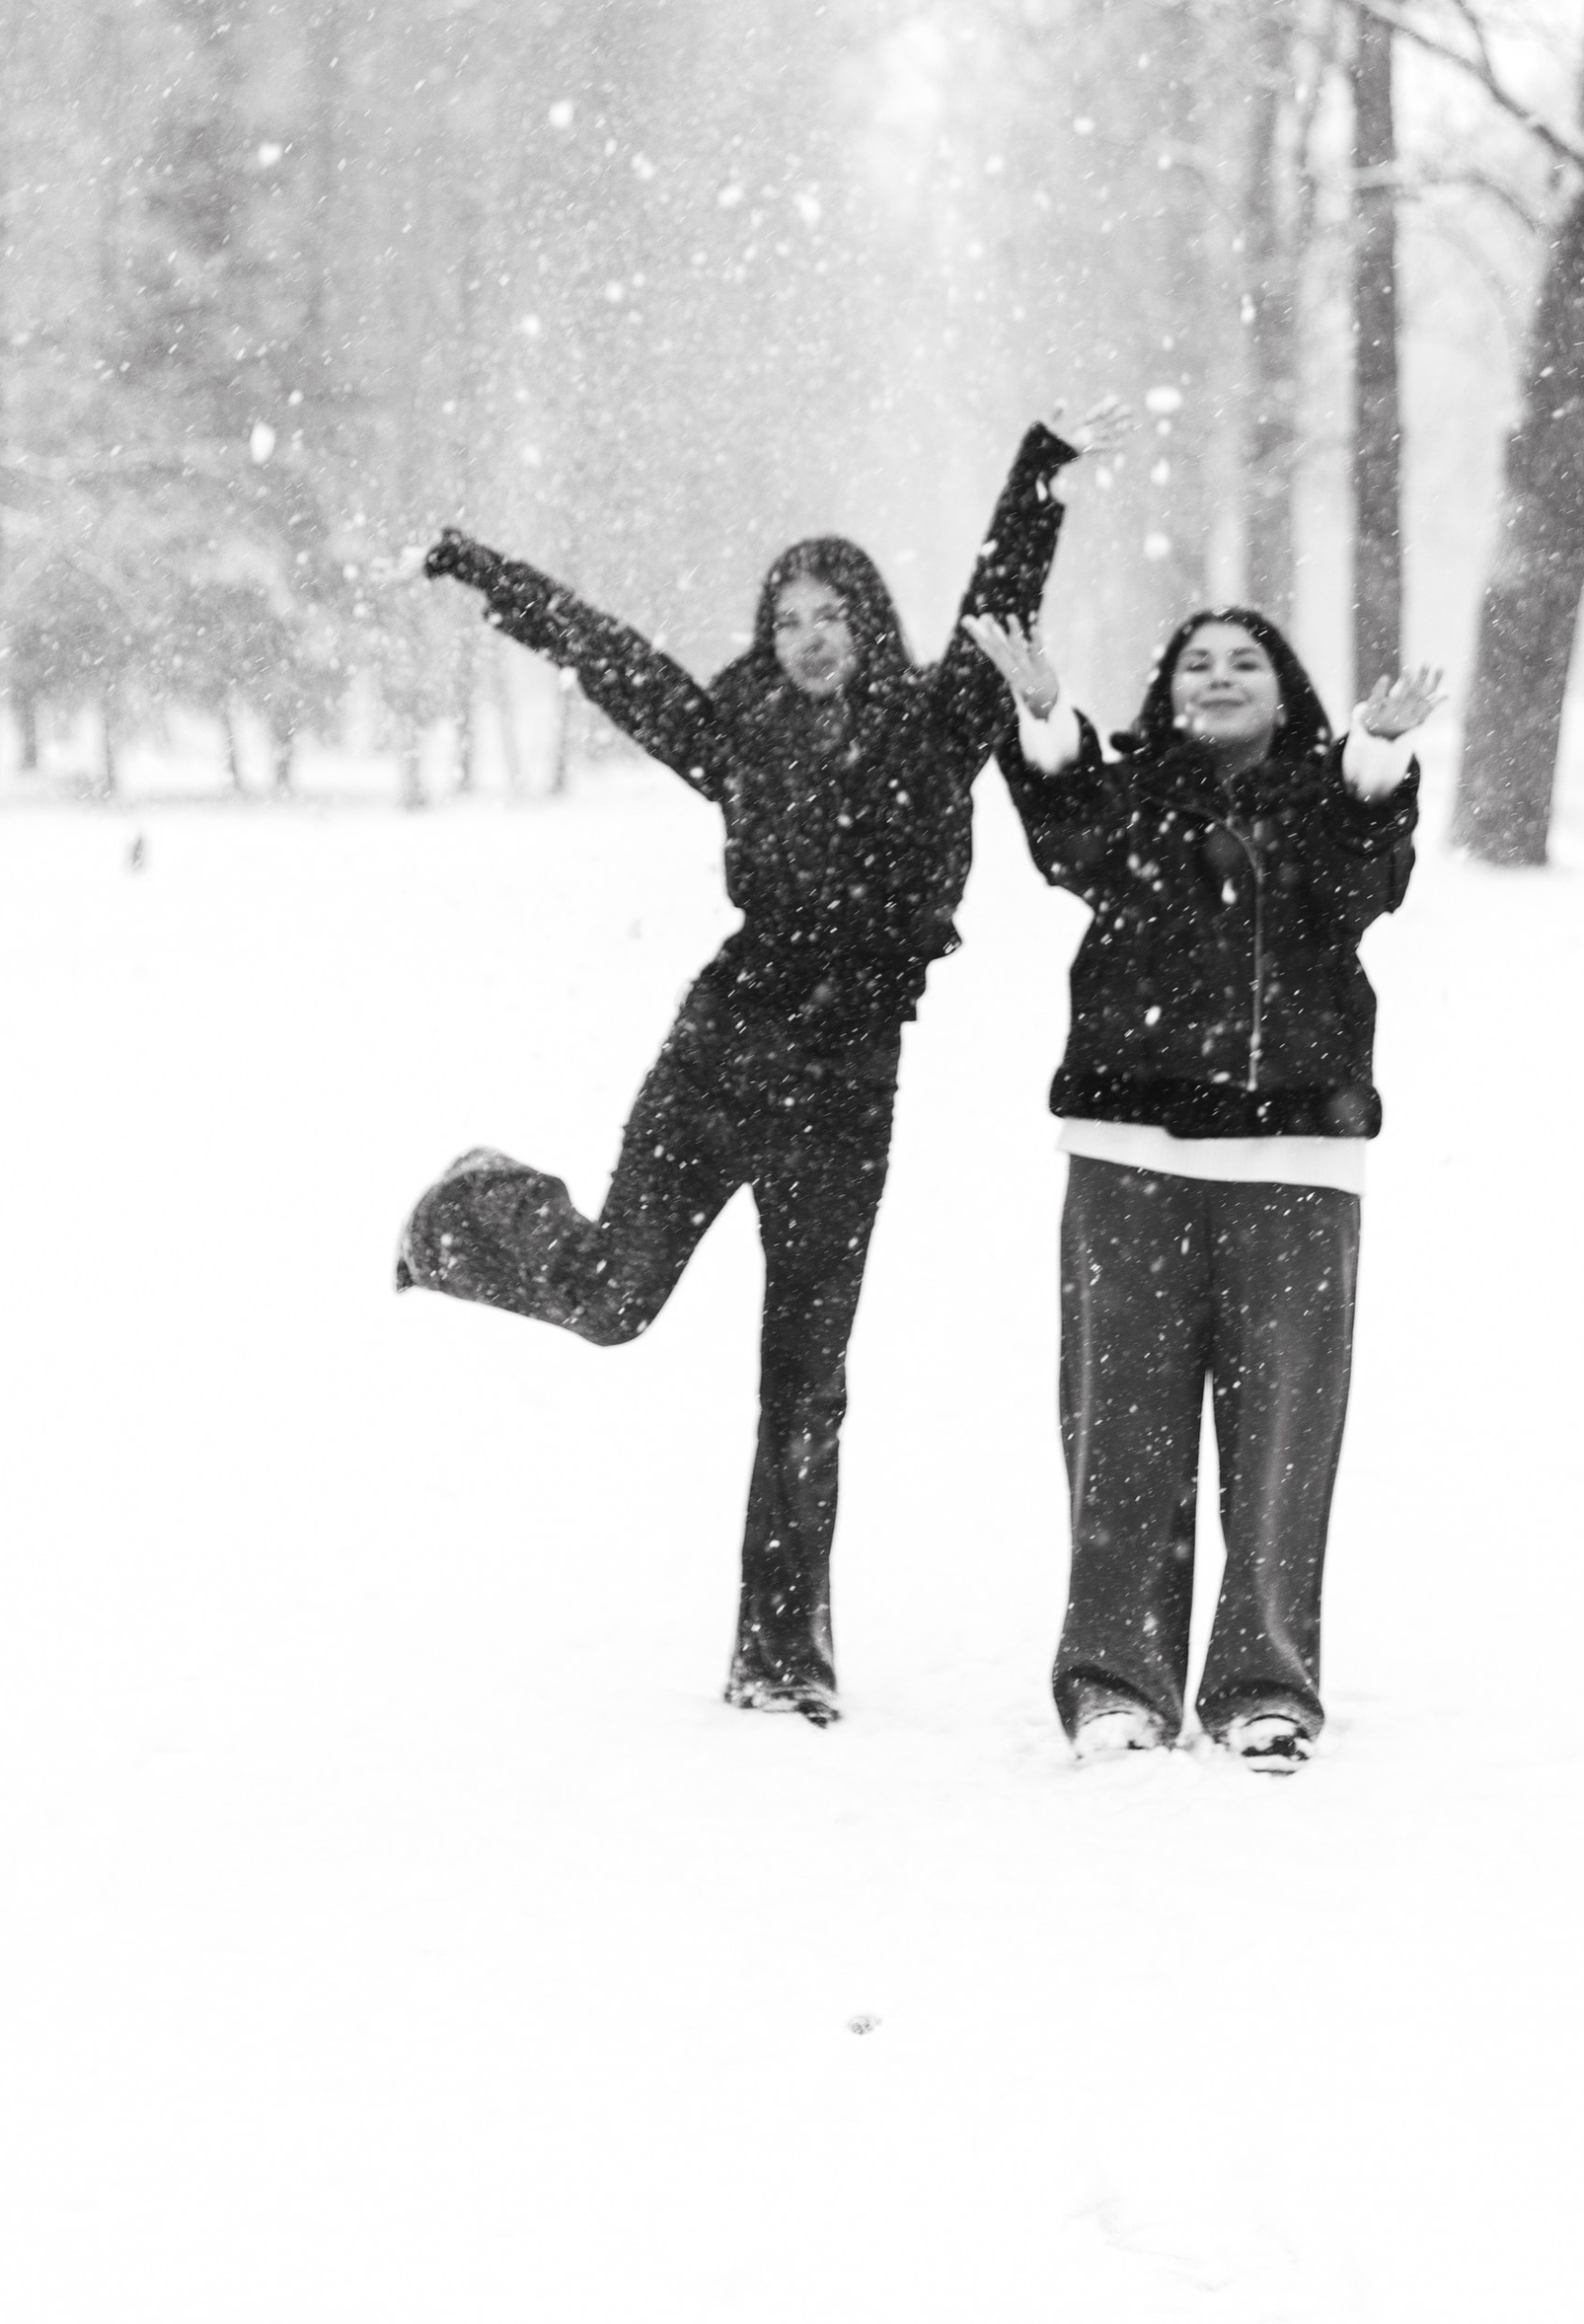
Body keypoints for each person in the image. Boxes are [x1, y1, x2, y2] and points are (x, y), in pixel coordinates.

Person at [396, 401, 1128, 1727]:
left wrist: (1043, 470)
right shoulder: (734, 735)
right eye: (787, 619)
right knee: (614, 1298)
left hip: (847, 1087)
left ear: (867, 624)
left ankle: (781, 1656)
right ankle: (467, 1210)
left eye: (829, 615)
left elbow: (997, 591)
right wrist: (486, 571)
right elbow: (603, 652)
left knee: (806, 1374)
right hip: (721, 1057)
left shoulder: (935, 728)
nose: (807, 638)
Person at [967, 604, 1442, 1772]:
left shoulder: (1331, 803)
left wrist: (1373, 759)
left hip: (1294, 1163)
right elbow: (1065, 836)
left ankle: (1262, 1687)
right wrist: (1041, 716)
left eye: (1244, 664)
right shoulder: (1130, 794)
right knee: (1120, 1439)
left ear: (1285, 693)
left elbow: (1369, 878)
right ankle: (1115, 1683)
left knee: (1283, 1442)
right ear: (1168, 691)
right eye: (1196, 664)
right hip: (1130, 1154)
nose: (1219, 678)